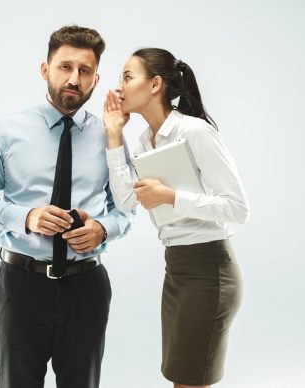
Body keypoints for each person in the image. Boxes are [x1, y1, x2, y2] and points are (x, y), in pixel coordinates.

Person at [0, 25, 134, 388]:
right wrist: (27, 217)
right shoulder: (7, 131)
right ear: (45, 70)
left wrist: (102, 228)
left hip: (86, 287)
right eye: (65, 67)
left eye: (84, 71)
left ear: (95, 79)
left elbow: (128, 208)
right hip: (21, 287)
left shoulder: (110, 133)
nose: (74, 79)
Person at [103, 48, 249, 388]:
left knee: (189, 381)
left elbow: (237, 208)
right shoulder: (142, 143)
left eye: (127, 76)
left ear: (155, 84)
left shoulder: (195, 132)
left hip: (210, 271)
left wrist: (171, 197)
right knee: (181, 378)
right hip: (177, 271)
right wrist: (113, 136)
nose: (119, 88)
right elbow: (125, 202)